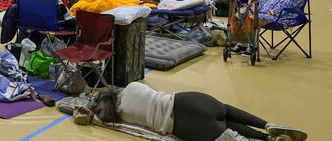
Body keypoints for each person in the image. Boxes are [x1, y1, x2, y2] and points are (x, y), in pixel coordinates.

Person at [90, 83, 307, 141]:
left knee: (224, 127)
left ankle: (266, 139)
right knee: (225, 111)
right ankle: (267, 125)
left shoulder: (122, 117)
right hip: (187, 100)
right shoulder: (132, 87)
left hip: (183, 126)